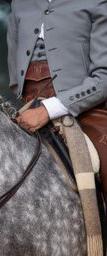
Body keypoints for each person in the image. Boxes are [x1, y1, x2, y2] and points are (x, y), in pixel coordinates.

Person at [7, 0, 107, 200]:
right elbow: (15, 76)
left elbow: (104, 79)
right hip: (28, 107)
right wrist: (34, 106)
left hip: (87, 109)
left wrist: (48, 110)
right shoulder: (20, 3)